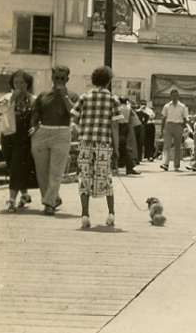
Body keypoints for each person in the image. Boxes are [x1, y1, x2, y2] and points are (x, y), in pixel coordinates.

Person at [70, 66, 123, 228]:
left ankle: (85, 214)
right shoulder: (113, 99)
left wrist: (83, 133)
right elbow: (114, 125)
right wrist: (117, 148)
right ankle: (111, 213)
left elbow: (73, 121)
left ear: (93, 81)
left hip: (85, 143)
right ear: (108, 81)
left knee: (84, 177)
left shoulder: (84, 97)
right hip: (103, 143)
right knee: (106, 177)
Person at [29, 65, 78, 215]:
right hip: (42, 132)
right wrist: (33, 127)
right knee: (42, 172)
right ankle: (52, 198)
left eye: (62, 78)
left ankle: (49, 204)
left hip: (61, 133)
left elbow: (74, 114)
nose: (59, 81)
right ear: (52, 78)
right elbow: (36, 115)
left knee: (56, 171)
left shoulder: (73, 96)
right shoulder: (43, 95)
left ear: (67, 80)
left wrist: (64, 96)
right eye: (56, 78)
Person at [0, 69, 38, 212]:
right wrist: (11, 99)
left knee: (16, 166)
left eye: (21, 82)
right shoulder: (7, 97)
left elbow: (38, 117)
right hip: (7, 135)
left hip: (24, 137)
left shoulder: (33, 99)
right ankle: (24, 194)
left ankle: (11, 200)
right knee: (11, 164)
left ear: (27, 84)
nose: (18, 85)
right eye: (16, 82)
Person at [160, 89, 188, 172]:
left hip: (178, 125)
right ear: (170, 96)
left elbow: (185, 118)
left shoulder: (182, 106)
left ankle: (176, 165)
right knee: (167, 145)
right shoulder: (166, 106)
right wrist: (162, 130)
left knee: (177, 146)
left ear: (178, 96)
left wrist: (182, 127)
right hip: (168, 125)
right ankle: (166, 163)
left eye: (176, 95)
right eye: (173, 95)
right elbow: (163, 118)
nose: (174, 97)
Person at [117, 96, 140, 176]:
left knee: (120, 145)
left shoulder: (118, 107)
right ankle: (128, 165)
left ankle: (125, 164)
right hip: (125, 125)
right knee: (123, 145)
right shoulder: (128, 107)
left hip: (118, 126)